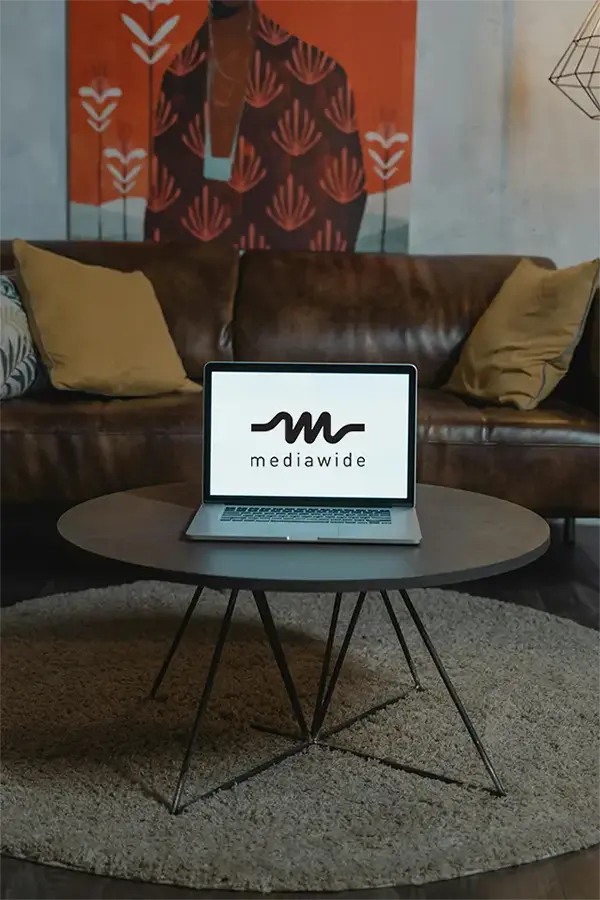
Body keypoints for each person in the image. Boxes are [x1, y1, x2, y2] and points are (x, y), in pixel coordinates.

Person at [145, 0, 367, 250]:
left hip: (285, 271)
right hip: (199, 268)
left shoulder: (321, 77)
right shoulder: (179, 76)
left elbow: (339, 211)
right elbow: (162, 205)